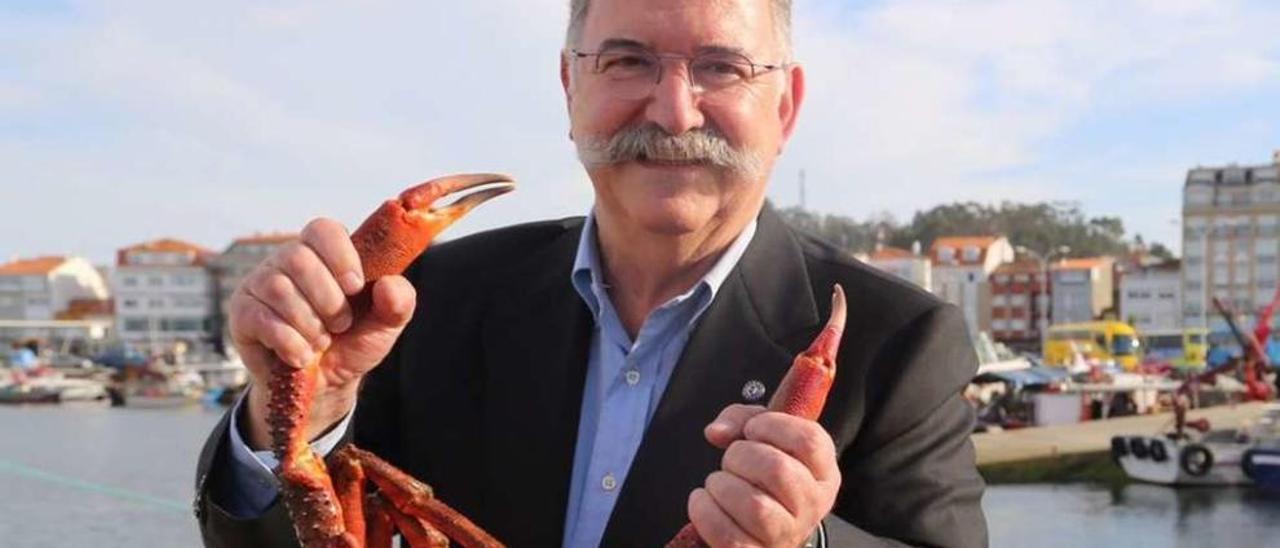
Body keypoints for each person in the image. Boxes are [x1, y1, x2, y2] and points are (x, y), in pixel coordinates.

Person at [194, 1, 987, 546]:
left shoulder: (901, 343)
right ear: (571, 86)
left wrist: (802, 540)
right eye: (627, 60)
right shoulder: (423, 301)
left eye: (721, 67)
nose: (674, 111)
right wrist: (296, 412)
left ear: (785, 106)